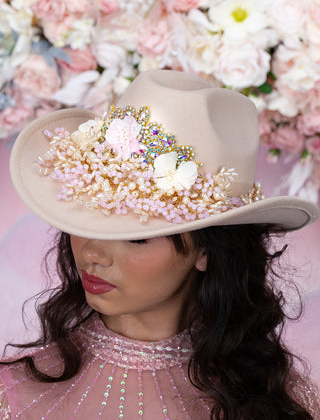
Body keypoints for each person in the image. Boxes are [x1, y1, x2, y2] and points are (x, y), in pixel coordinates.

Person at [1, 69, 320, 419]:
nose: (91, 254)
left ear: (206, 250)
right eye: (86, 220)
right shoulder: (13, 393)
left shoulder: (275, 401)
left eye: (135, 237)